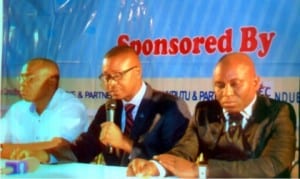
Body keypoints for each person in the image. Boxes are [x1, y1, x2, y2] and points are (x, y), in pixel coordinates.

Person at [127, 52, 296, 178]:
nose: (227, 93)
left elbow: (274, 165)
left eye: (235, 84)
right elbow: (184, 151)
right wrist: (155, 166)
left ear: (256, 83)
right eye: (219, 85)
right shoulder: (204, 111)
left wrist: (200, 171)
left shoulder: (279, 112)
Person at [16, 45, 191, 165]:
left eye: (116, 76)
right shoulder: (108, 110)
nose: (109, 84)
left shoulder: (169, 107)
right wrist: (47, 156)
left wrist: (125, 143)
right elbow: (82, 150)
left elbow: (177, 160)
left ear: (137, 72)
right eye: (105, 77)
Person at [0, 58, 89, 160]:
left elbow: (59, 146)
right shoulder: (17, 109)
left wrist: (9, 150)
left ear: (51, 82)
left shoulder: (71, 107)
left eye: (30, 79)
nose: (22, 83)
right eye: (21, 78)